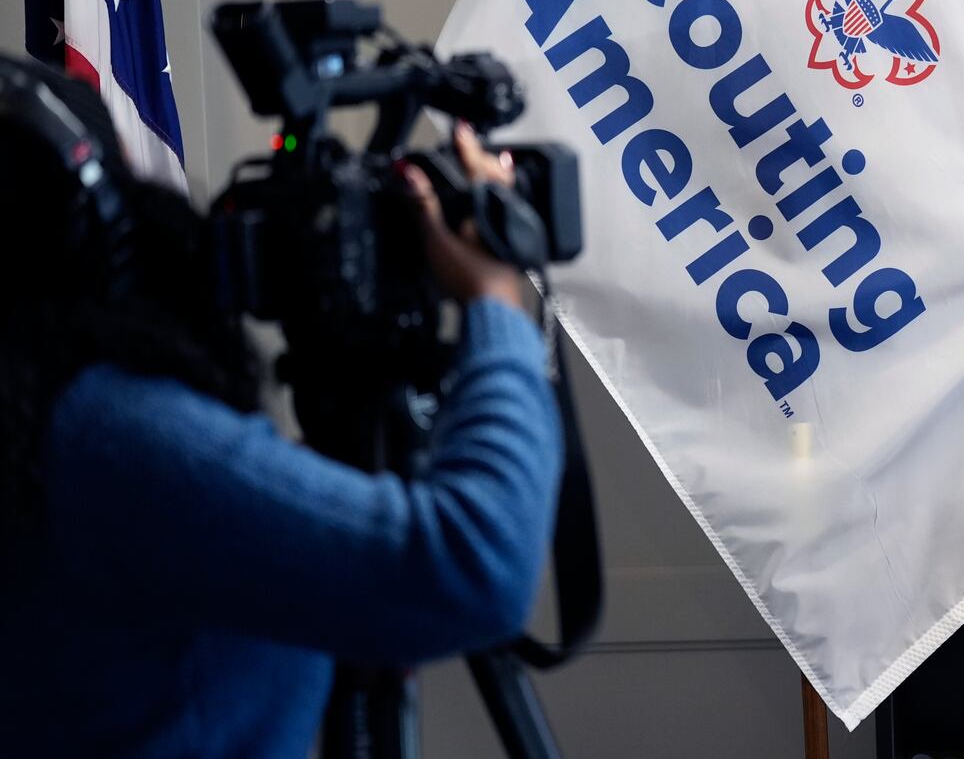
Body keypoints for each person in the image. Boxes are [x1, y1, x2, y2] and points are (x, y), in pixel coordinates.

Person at [0, 56, 564, 759]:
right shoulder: (100, 437)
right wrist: (496, 301)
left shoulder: (40, 432)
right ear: (103, 221)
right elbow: (477, 567)